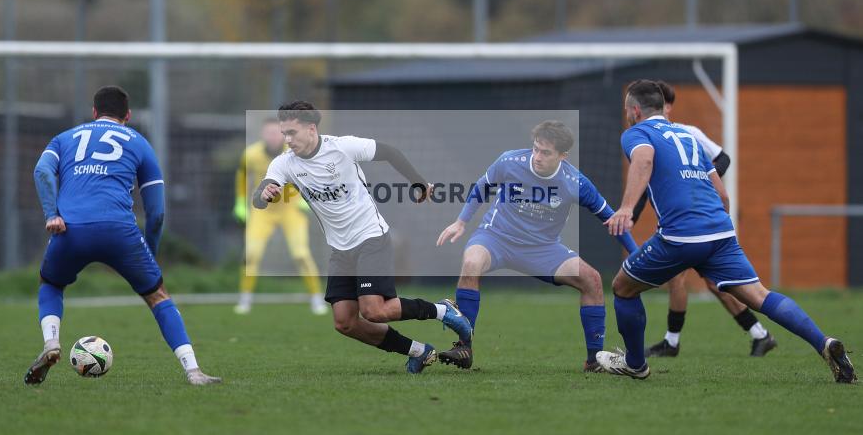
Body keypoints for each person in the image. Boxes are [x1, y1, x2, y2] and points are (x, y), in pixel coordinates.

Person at [597, 79, 856, 383]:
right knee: (760, 295)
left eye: (627, 110)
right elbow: (722, 194)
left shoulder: (636, 133)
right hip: (720, 232)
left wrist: (627, 209)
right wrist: (719, 234)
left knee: (623, 288)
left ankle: (635, 364)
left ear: (635, 110)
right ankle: (823, 343)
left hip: (680, 236)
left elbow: (643, 160)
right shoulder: (689, 136)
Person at [251, 101, 472, 373]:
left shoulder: (342, 147)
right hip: (340, 249)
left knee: (374, 310)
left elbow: (390, 152)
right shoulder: (285, 163)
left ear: (311, 129)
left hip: (371, 237)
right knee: (344, 322)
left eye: (292, 133)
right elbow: (261, 194)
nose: (287, 139)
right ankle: (418, 351)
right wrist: (263, 195)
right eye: (284, 133)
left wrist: (418, 182)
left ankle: (442, 311)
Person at [27, 86, 221, 386]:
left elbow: (42, 171)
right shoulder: (139, 143)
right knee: (157, 296)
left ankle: (52, 342)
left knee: (51, 283)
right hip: (120, 231)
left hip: (70, 229)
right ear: (127, 116)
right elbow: (156, 212)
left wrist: (52, 214)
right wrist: (151, 252)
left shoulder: (64, 138)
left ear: (93, 113)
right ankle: (193, 371)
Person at [436, 121, 637, 372]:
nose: (537, 157)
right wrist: (461, 221)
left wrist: (636, 254)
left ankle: (593, 360)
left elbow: (611, 219)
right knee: (471, 263)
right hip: (496, 237)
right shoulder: (510, 161)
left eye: (546, 152)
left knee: (592, 280)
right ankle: (464, 347)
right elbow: (482, 186)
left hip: (543, 249)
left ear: (563, 156)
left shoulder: (575, 181)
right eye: (535, 149)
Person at [632, 82, 777, 358]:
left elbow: (723, 158)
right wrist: (633, 214)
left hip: (701, 218)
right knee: (704, 282)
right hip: (682, 222)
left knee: (694, 280)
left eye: (665, 104)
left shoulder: (688, 133)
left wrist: (702, 181)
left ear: (669, 107)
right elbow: (643, 178)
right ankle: (759, 334)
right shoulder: (651, 140)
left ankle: (673, 343)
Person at [234, 117, 327, 315]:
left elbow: (312, 173)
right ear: (262, 134)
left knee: (301, 254)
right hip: (263, 211)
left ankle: (317, 298)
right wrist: (240, 203)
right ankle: (245, 299)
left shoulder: (295, 153)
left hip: (290, 209)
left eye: (277, 133)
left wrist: (306, 198)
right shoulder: (250, 155)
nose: (273, 137)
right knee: (251, 254)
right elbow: (241, 177)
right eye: (269, 133)